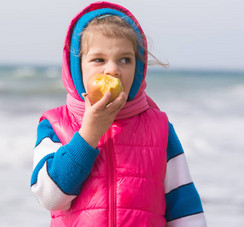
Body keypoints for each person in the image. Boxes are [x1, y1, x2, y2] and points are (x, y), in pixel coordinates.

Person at [30, 2, 207, 226]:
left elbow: (185, 208)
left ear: (138, 68)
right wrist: (89, 135)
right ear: (77, 67)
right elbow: (50, 197)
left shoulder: (159, 127)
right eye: (99, 60)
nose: (113, 70)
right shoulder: (55, 124)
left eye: (125, 59)